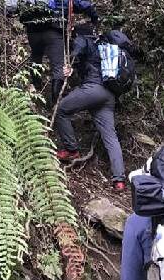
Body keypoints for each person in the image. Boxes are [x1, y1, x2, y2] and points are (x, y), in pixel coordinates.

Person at [54, 23, 136, 190]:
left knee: (62, 110)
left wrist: (70, 63)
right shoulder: (111, 52)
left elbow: (77, 51)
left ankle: (71, 150)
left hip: (94, 88)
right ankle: (119, 180)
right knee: (110, 137)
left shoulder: (87, 41)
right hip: (109, 96)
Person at [6, 0, 98, 106]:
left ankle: (36, 89)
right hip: (54, 34)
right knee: (58, 67)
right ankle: (55, 104)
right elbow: (85, 6)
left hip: (33, 32)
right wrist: (95, 19)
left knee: (36, 58)